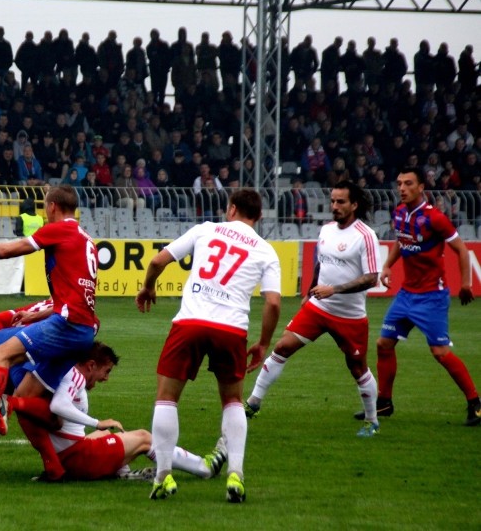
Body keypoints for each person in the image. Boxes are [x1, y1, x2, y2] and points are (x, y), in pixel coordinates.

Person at [136, 189, 282, 503]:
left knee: (167, 398)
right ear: (257, 216)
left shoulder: (205, 229)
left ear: (231, 209)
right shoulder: (266, 251)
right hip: (231, 330)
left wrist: (148, 287)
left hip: (190, 322)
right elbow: (272, 303)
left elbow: (157, 260)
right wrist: (263, 343)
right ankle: (236, 474)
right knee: (232, 400)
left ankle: (163, 477)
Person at [0, 184, 98, 447]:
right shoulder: (86, 239)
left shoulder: (59, 229)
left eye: (46, 205)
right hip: (84, 330)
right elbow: (77, 293)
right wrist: (42, 314)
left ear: (52, 207)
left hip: (67, 325)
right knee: (26, 395)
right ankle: (57, 460)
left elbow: (4, 251)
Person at [244, 181, 382, 436]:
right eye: (332, 201)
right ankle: (253, 403)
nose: (335, 206)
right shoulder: (327, 230)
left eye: (341, 202)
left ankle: (372, 420)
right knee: (282, 346)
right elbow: (321, 263)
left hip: (349, 316)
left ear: (354, 205)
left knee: (357, 367)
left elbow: (371, 278)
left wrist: (334, 289)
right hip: (318, 308)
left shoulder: (365, 236)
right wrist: (310, 290)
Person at [9, 342, 227, 482]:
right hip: (79, 458)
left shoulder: (64, 373)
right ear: (91, 365)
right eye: (106, 371)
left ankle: (124, 475)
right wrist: (97, 422)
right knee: (143, 438)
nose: (106, 378)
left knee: (107, 436)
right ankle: (204, 467)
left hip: (70, 454)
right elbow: (58, 406)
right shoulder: (75, 375)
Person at [368, 166, 480, 426]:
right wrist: (387, 265)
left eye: (408, 183)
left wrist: (465, 283)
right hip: (406, 294)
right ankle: (384, 403)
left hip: (432, 297)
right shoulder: (399, 214)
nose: (402, 189)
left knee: (439, 351)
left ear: (421, 188)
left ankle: (475, 402)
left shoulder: (435, 218)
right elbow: (401, 241)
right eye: (399, 183)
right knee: (383, 344)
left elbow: (461, 250)